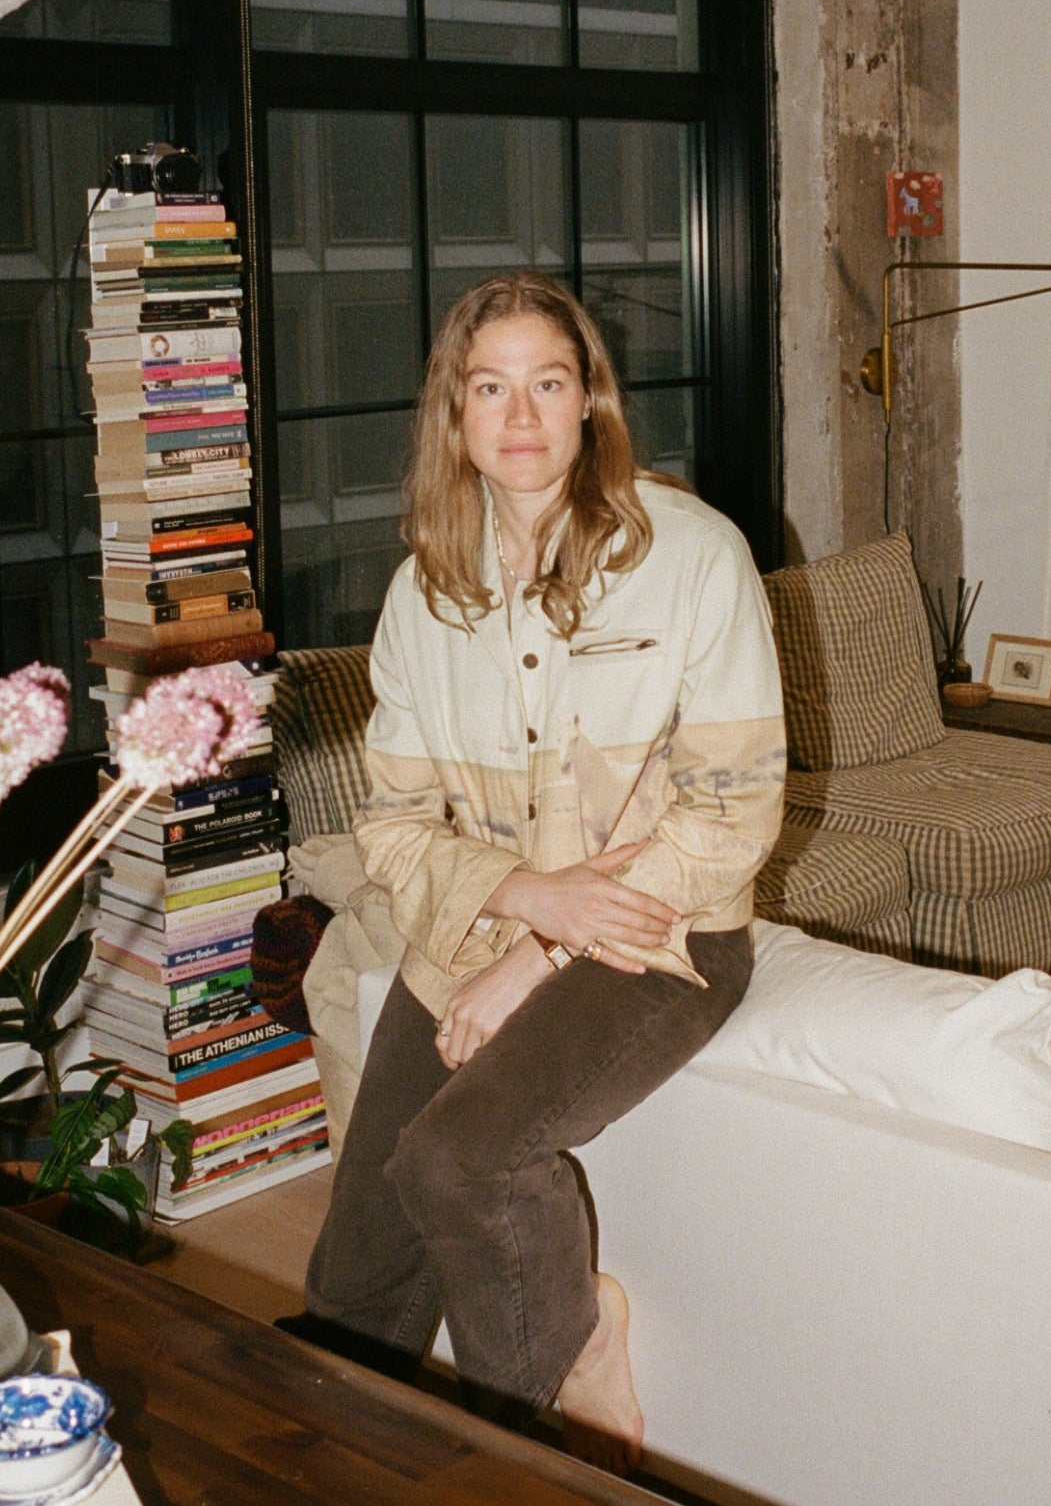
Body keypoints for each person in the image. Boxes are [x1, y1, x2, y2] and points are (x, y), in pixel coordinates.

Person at [286, 272, 786, 1472]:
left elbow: (732, 808)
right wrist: (518, 900)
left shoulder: (695, 558)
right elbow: (394, 825)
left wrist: (541, 945)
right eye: (490, 386)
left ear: (589, 402)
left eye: (547, 382)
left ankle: (552, 1421)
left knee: (460, 1158)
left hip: (660, 939)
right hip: (471, 932)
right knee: (350, 1282)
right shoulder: (423, 591)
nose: (520, 415)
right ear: (453, 417)